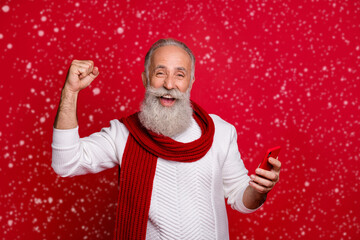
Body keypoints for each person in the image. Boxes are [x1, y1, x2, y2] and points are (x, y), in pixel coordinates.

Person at [52, 38, 281, 240]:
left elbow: (241, 199)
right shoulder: (124, 133)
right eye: (160, 73)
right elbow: (66, 163)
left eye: (179, 75)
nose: (169, 85)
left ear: (190, 82)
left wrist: (259, 190)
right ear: (145, 79)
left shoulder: (220, 132)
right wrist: (70, 93)